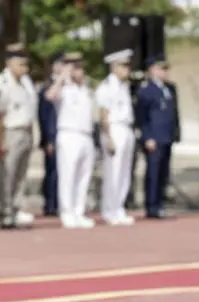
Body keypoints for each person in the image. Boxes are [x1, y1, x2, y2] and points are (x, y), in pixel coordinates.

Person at [46, 52, 96, 229]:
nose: (78, 71)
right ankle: (67, 212)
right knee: (68, 175)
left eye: (80, 67)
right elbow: (49, 96)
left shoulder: (86, 89)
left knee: (84, 176)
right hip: (69, 134)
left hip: (86, 135)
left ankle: (79, 211)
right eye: (74, 68)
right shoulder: (63, 88)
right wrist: (62, 77)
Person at [0, 43, 37, 229]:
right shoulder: (1, 82)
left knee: (20, 175)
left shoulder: (26, 82)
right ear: (10, 63)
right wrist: (0, 140)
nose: (24, 69)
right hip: (9, 132)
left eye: (26, 65)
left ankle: (16, 209)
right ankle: (6, 212)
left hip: (25, 131)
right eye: (20, 64)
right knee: (7, 174)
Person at [95, 49, 136, 226]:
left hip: (126, 128)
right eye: (123, 66)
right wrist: (109, 137)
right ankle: (109, 209)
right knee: (114, 171)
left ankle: (119, 207)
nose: (127, 70)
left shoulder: (124, 86)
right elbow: (104, 115)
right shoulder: (106, 87)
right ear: (114, 67)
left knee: (125, 172)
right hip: (114, 129)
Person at [135, 55, 177, 219]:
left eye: (166, 69)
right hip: (154, 137)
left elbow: (173, 114)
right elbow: (142, 117)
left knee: (163, 173)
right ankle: (151, 205)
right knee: (153, 172)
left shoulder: (169, 89)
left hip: (166, 136)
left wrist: (175, 134)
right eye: (161, 68)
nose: (164, 72)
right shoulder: (146, 91)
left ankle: (160, 203)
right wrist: (148, 137)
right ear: (152, 70)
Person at [37, 52, 63, 217]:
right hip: (53, 135)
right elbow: (44, 116)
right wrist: (48, 139)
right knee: (52, 171)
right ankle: (50, 203)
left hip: (67, 134)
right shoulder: (47, 87)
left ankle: (61, 202)